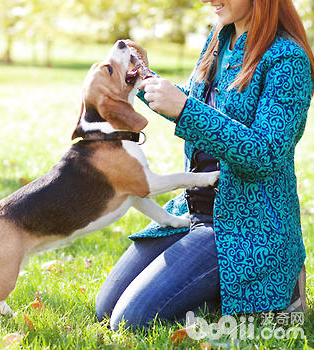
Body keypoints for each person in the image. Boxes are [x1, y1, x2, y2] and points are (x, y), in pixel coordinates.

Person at [96, 0, 314, 330]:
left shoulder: (287, 58)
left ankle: (265, 288)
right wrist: (143, 77)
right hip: (192, 210)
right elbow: (201, 106)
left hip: (244, 227)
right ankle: (212, 290)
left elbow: (266, 154)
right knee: (105, 308)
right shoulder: (220, 38)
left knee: (129, 320)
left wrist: (184, 109)